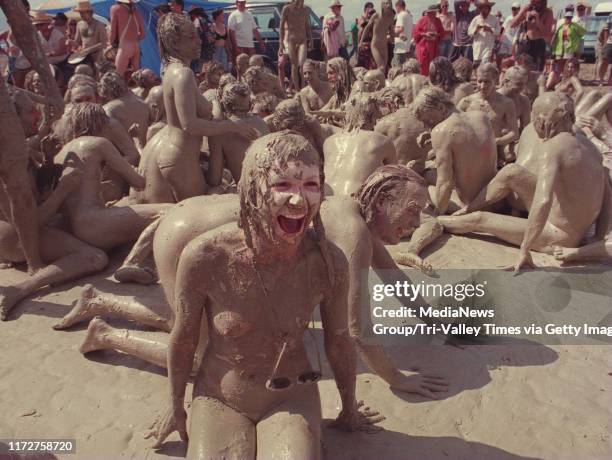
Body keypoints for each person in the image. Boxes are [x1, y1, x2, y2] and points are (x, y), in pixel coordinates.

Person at [443, 92, 610, 272]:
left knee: (479, 220)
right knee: (511, 171)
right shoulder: (590, 146)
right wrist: (597, 236)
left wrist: (525, 249)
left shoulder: (553, 147)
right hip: (572, 223)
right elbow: (607, 195)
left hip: (559, 234)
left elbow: (543, 201)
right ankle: (467, 208)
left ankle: (432, 221)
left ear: (541, 121)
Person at [132, 13, 257, 205]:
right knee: (197, 214)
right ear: (175, 43)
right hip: (181, 159)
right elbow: (190, 125)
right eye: (191, 37)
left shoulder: (169, 70)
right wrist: (233, 126)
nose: (199, 41)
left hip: (177, 155)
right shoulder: (184, 74)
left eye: (197, 35)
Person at [413, 86, 497, 215]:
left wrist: (438, 215)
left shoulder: (441, 131)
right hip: (494, 198)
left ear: (441, 107)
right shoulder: (481, 116)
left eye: (428, 120)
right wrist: (431, 133)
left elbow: (445, 183)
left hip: (469, 204)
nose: (428, 126)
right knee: (429, 170)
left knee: (421, 183)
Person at [323, 95, 396, 196]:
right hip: (352, 202)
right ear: (374, 116)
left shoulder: (329, 141)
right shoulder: (382, 141)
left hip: (324, 198)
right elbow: (394, 180)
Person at [207, 82, 269, 188]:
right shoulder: (262, 123)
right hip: (269, 183)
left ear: (223, 104)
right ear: (249, 104)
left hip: (248, 189)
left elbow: (215, 179)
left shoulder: (219, 133)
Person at [457, 63, 519, 166]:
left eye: (487, 82)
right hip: (469, 149)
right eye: (479, 81)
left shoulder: (506, 103)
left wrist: (495, 141)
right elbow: (451, 123)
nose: (482, 86)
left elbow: (514, 133)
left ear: (495, 80)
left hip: (493, 150)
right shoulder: (467, 102)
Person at [509, 0, 555, 71]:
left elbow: (547, 33)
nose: (535, 5)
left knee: (536, 72)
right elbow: (512, 24)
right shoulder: (527, 10)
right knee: (521, 71)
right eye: (533, 2)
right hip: (525, 44)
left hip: (538, 45)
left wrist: (538, 20)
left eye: (538, 2)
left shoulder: (548, 12)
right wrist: (522, 11)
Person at [279, 0, 312, 91]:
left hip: (302, 40)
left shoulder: (305, 10)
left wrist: (311, 40)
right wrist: (281, 44)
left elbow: (307, 26)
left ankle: (303, 87)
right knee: (294, 65)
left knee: (301, 64)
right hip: (291, 40)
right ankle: (297, 89)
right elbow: (281, 28)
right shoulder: (287, 9)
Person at [109, 0, 145, 78]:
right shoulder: (135, 11)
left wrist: (111, 43)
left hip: (124, 47)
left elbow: (113, 31)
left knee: (117, 77)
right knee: (140, 77)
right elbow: (143, 35)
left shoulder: (115, 9)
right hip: (136, 47)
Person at [359, 0, 396, 73]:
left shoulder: (390, 17)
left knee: (384, 68)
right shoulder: (376, 16)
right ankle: (372, 79)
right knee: (381, 67)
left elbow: (392, 31)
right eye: (386, 3)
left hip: (384, 45)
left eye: (389, 4)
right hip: (375, 45)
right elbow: (367, 28)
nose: (388, 5)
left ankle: (379, 82)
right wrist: (361, 41)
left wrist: (396, 38)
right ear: (382, 5)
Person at [71, 1, 108, 65]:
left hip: (97, 56)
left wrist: (89, 50)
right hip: (84, 57)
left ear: (90, 12)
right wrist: (71, 44)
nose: (81, 15)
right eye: (80, 13)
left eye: (83, 13)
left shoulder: (99, 25)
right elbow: (77, 41)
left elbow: (104, 44)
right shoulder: (79, 24)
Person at [413, 4, 445, 76]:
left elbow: (442, 32)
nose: (433, 14)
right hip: (423, 46)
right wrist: (424, 34)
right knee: (423, 63)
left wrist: (436, 34)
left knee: (434, 63)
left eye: (435, 12)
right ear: (428, 12)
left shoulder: (438, 20)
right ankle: (423, 78)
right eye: (432, 12)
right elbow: (415, 32)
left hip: (434, 46)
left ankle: (432, 78)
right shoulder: (422, 20)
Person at [467, 0, 500, 67]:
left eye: (485, 8)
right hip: (477, 49)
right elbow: (469, 32)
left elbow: (498, 32)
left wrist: (490, 29)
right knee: (477, 68)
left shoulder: (494, 19)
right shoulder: (476, 19)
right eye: (482, 8)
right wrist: (476, 29)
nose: (483, 10)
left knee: (486, 66)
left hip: (488, 48)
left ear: (489, 8)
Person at [551, 10, 585, 74]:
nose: (568, 19)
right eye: (567, 17)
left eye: (570, 17)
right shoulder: (561, 26)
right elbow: (556, 36)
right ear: (564, 18)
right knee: (559, 61)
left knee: (568, 61)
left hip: (569, 46)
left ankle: (566, 75)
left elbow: (582, 33)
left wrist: (576, 42)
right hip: (560, 46)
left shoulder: (574, 26)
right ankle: (560, 75)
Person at [393, 1, 413, 67]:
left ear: (398, 6)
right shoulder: (409, 16)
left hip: (400, 48)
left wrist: (390, 33)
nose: (396, 10)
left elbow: (400, 29)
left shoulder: (401, 15)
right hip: (407, 48)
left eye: (396, 8)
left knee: (398, 70)